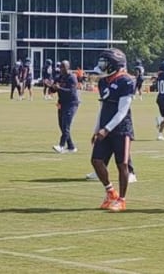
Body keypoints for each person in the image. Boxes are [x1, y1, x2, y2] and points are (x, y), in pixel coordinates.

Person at [90, 48, 135, 212]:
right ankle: (110, 192)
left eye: (105, 62)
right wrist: (97, 128)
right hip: (105, 127)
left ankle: (122, 199)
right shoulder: (103, 81)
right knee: (96, 160)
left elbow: (123, 110)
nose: (102, 66)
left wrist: (107, 129)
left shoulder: (126, 81)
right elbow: (102, 106)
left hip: (121, 129)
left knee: (122, 164)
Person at [50, 60, 79, 154]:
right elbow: (54, 90)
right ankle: (71, 146)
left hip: (71, 103)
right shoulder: (59, 77)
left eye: (63, 67)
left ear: (68, 68)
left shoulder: (72, 77)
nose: (61, 69)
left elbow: (71, 91)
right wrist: (51, 86)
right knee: (62, 126)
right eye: (60, 67)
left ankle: (61, 146)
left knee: (66, 125)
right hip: (62, 103)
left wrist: (59, 88)